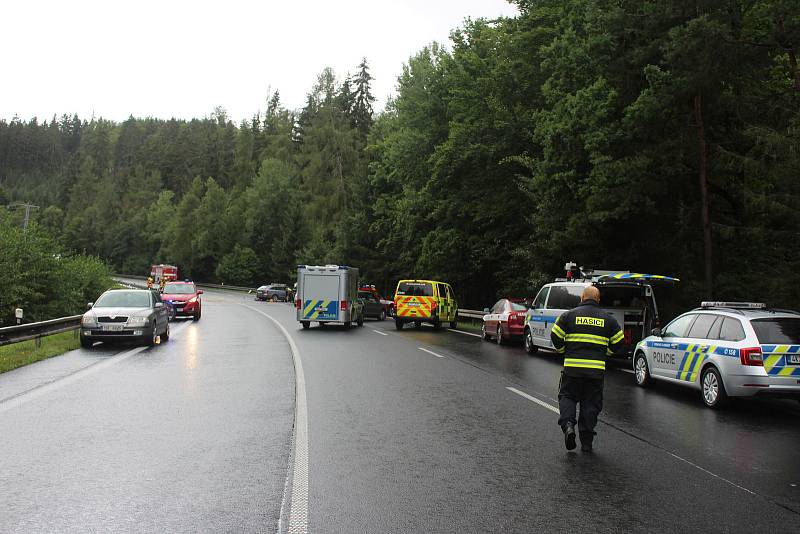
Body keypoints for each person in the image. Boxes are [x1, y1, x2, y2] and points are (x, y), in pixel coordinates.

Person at [551, 285, 624, 452]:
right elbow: (619, 343)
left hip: (572, 370)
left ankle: (568, 425)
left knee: (568, 397)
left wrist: (564, 351)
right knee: (591, 405)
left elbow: (555, 336)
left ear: (582, 298)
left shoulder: (568, 316)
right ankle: (586, 442)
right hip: (595, 372)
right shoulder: (609, 319)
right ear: (598, 300)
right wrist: (606, 352)